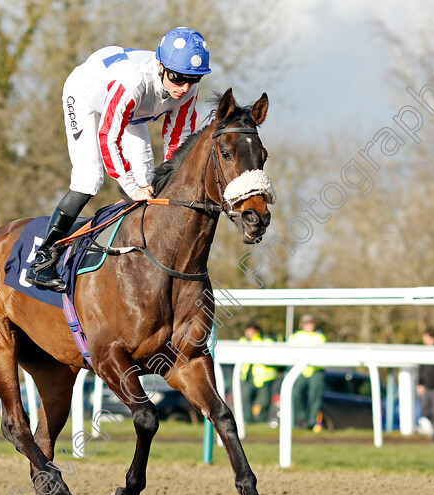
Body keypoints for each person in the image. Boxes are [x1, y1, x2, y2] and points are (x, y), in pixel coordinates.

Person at [27, 27, 211, 291]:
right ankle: (42, 261)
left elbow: (178, 140)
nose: (184, 88)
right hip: (86, 96)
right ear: (160, 66)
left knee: (150, 180)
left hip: (134, 112)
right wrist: (131, 187)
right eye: (178, 78)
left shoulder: (186, 90)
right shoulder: (133, 82)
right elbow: (108, 138)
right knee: (89, 179)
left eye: (193, 80)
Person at [288, 314, 327, 431]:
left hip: (316, 370)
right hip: (300, 370)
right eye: (306, 323)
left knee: (315, 396)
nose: (309, 325)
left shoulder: (320, 337)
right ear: (302, 325)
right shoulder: (295, 337)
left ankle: (312, 421)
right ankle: (302, 419)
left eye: (311, 323)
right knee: (295, 393)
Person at [239, 322, 279, 423]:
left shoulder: (265, 341)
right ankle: (248, 421)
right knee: (245, 398)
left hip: (263, 378)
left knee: (264, 401)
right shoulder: (243, 341)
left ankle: (262, 421)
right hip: (248, 377)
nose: (248, 334)